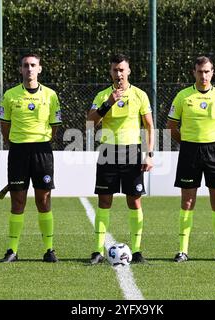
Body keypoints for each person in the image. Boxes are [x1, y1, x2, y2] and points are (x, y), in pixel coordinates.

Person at [166, 56, 215, 263]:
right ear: (194, 73)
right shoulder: (183, 96)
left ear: (213, 72)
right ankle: (182, 251)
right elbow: (171, 127)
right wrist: (188, 143)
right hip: (189, 152)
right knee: (187, 201)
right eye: (200, 71)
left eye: (207, 72)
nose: (203, 75)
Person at [87, 53, 154, 264]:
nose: (119, 74)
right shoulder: (102, 96)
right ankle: (98, 251)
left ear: (129, 71)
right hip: (108, 151)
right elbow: (90, 123)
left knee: (134, 201)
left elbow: (149, 126)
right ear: (110, 72)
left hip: (132, 151)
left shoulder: (140, 95)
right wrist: (108, 104)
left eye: (122, 70)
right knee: (104, 200)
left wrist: (149, 154)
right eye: (115, 70)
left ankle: (136, 251)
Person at [0, 53, 62, 263]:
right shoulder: (10, 95)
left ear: (40, 69)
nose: (30, 69)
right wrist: (16, 143)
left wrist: (39, 141)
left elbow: (55, 126)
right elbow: (4, 125)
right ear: (20, 69)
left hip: (42, 151)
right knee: (18, 202)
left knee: (43, 200)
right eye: (26, 65)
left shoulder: (51, 95)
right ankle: (12, 250)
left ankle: (49, 249)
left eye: (33, 65)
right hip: (18, 152)